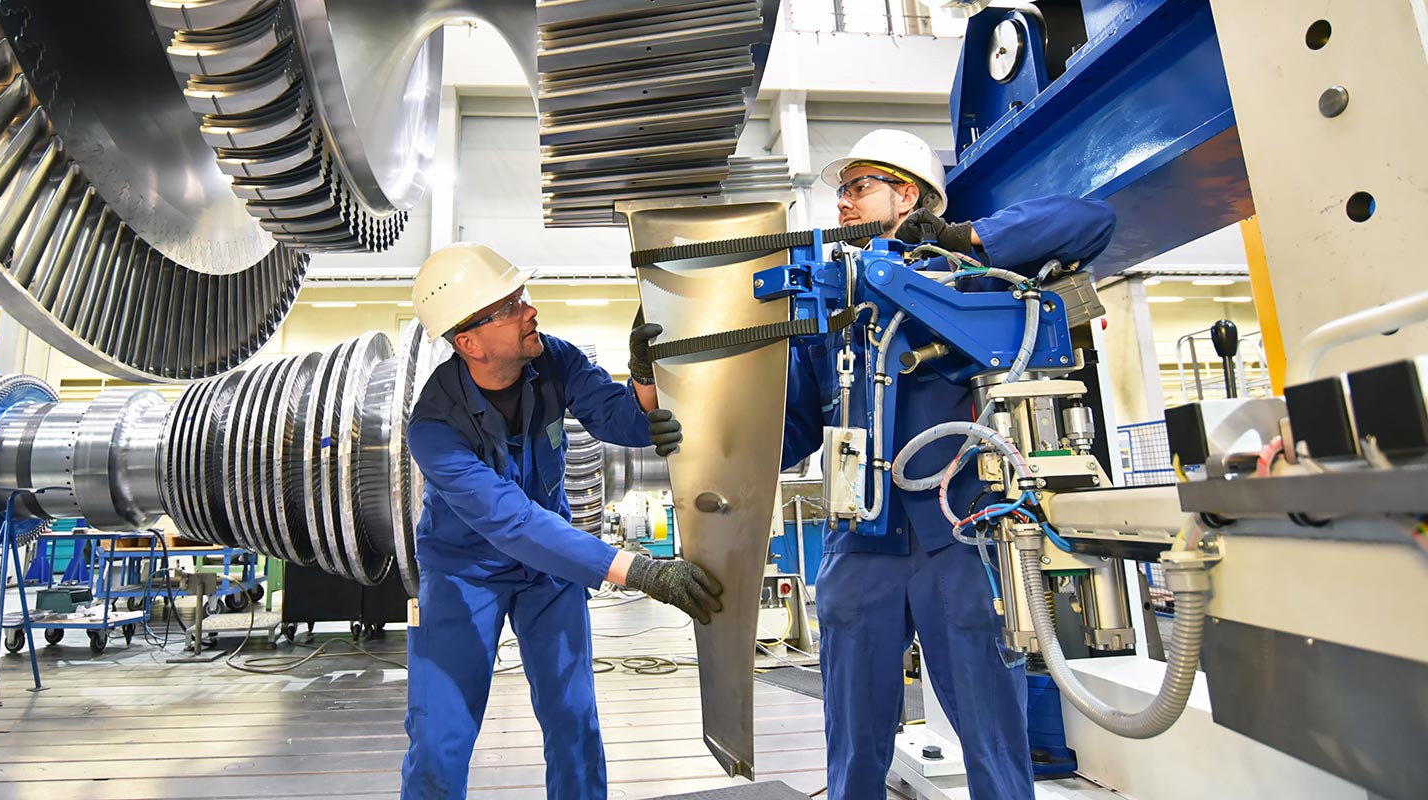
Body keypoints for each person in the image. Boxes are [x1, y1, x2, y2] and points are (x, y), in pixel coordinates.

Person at [783, 130, 1117, 799]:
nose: (842, 204)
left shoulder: (972, 281)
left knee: (995, 739)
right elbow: (790, 436)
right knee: (851, 747)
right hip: (858, 542)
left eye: (858, 187)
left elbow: (1093, 220)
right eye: (841, 192)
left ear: (907, 194)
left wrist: (969, 241)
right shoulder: (829, 309)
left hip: (959, 537)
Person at [401, 242, 724, 800]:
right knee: (439, 738)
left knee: (574, 720)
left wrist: (646, 380)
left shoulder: (552, 358)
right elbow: (512, 523)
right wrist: (639, 571)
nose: (529, 310)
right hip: (464, 574)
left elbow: (615, 416)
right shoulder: (433, 426)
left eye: (521, 296)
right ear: (468, 342)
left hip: (546, 574)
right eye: (508, 306)